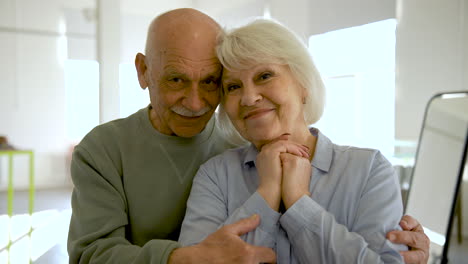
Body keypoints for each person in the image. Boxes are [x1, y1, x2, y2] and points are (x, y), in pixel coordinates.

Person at [68, 8, 429, 264]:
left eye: (210, 83)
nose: (195, 102)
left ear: (302, 82)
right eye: (176, 79)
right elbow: (91, 255)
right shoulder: (210, 169)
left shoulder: (364, 168)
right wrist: (189, 257)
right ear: (144, 71)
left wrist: (299, 201)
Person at [178, 19, 424, 263]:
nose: (249, 98)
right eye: (233, 87)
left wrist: (298, 202)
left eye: (264, 76)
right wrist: (267, 193)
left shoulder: (370, 169)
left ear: (303, 84)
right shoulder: (215, 176)